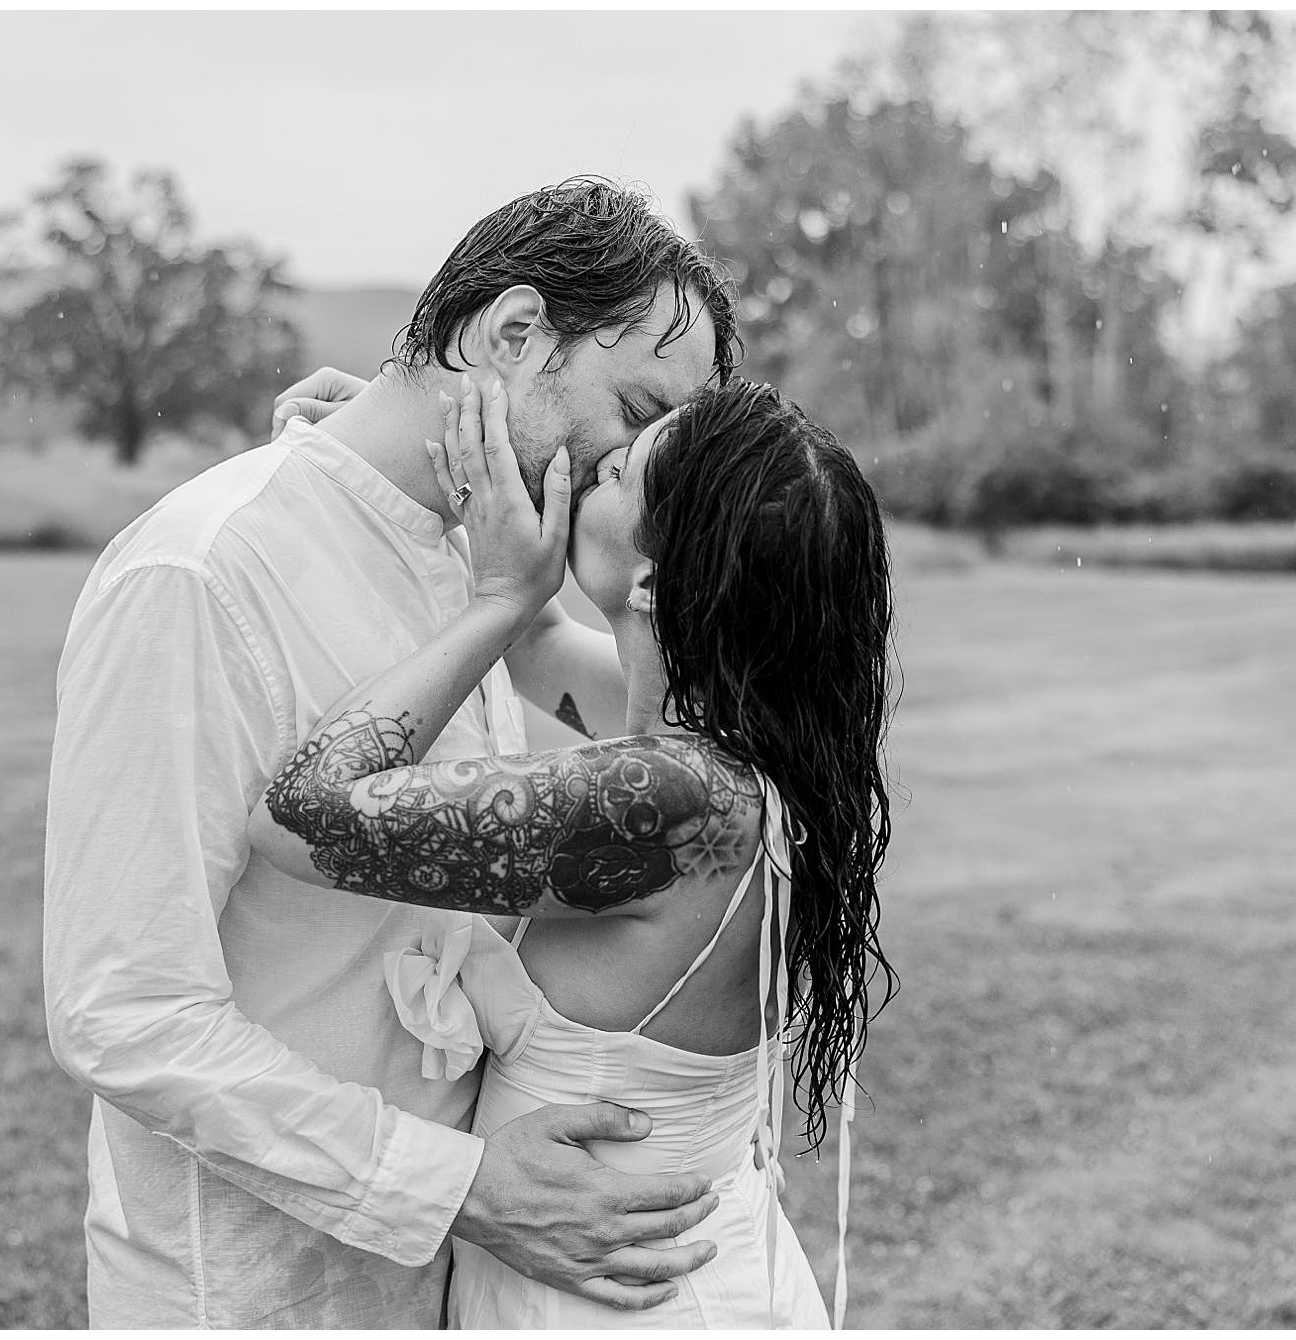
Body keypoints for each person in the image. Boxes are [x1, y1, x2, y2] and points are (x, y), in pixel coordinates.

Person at [43, 178, 740, 1327]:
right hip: (258, 1288)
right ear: (512, 333)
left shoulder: (481, 561)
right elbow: (124, 1011)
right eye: (632, 410)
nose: (645, 467)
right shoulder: (200, 571)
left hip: (450, 1284)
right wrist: (453, 1184)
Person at [248, 374, 897, 1328]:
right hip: (661, 1271)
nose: (587, 467)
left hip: (618, 1304)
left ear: (652, 577)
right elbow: (545, 650)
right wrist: (397, 437)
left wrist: (498, 600)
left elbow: (300, 816)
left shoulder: (668, 802)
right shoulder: (754, 742)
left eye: (618, 469)